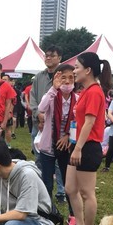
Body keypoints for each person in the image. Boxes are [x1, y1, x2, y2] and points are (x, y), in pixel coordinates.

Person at [63, 52, 111, 225]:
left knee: (87, 192)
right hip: (78, 145)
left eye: (76, 67)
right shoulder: (85, 91)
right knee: (70, 188)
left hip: (87, 147)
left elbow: (89, 123)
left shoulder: (94, 92)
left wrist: (78, 148)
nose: (74, 71)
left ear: (88, 70)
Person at [36, 64, 77, 210]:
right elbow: (41, 108)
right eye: (63, 78)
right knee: (47, 182)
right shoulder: (52, 96)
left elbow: (78, 123)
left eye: (70, 78)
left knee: (70, 182)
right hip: (48, 146)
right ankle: (47, 211)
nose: (67, 82)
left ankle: (73, 214)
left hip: (67, 146)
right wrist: (53, 88)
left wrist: (67, 136)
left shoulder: (77, 99)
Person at [29, 46, 63, 155]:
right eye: (46, 56)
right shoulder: (39, 76)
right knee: (39, 155)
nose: (48, 58)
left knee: (57, 158)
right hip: (38, 123)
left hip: (58, 124)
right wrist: (38, 113)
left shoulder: (64, 76)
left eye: (52, 56)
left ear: (59, 58)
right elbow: (32, 97)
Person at [0, 62, 16, 145]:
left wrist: (4, 121)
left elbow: (8, 104)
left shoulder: (6, 86)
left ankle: (8, 145)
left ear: (1, 70)